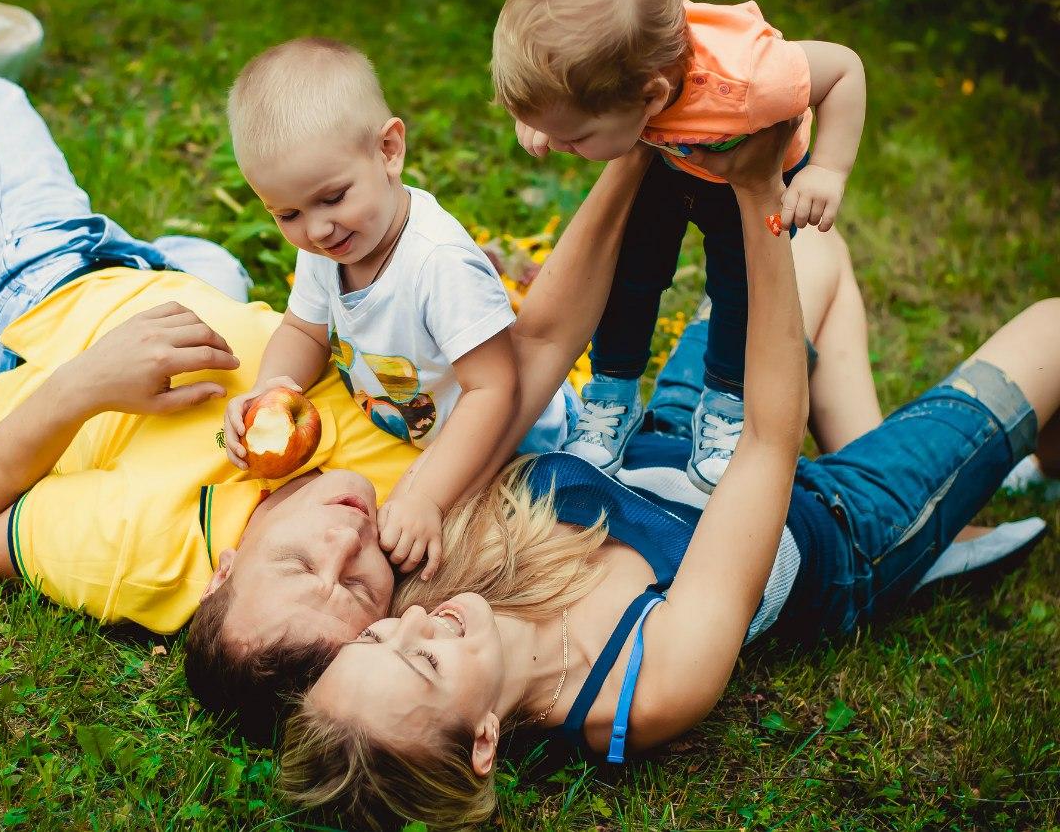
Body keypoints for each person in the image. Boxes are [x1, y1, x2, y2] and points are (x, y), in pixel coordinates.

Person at [0, 70, 664, 740]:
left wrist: (89, 383)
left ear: (224, 572)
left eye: (296, 570)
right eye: (358, 585)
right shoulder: (413, 504)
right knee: (206, 259)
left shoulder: (140, 553)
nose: (346, 539)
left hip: (47, 311)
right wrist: (641, 148)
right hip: (190, 295)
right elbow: (535, 357)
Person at [275, 123, 1059, 831]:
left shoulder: (436, 572)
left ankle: (920, 488)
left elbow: (542, 342)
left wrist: (638, 146)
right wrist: (758, 195)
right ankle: (917, 535)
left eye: (375, 638)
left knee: (820, 253)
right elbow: (766, 443)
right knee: (1051, 329)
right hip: (824, 520)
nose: (411, 621)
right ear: (485, 741)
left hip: (671, 439)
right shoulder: (645, 687)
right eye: (422, 661)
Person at [221, 39, 573, 580]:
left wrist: (427, 498)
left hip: (512, 445)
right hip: (415, 425)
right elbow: (304, 329)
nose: (314, 229)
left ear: (388, 150)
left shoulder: (437, 266)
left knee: (467, 566)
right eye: (286, 213)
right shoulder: (330, 245)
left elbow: (495, 389)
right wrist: (274, 388)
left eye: (333, 198)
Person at [493, 0, 866, 491]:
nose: (559, 147)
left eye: (574, 137)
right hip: (671, 158)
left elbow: (844, 69)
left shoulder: (752, 75)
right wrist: (540, 115)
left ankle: (728, 403)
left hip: (746, 171)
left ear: (652, 95)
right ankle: (611, 394)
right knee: (628, 272)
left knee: (739, 293)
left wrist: (828, 169)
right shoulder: (616, 62)